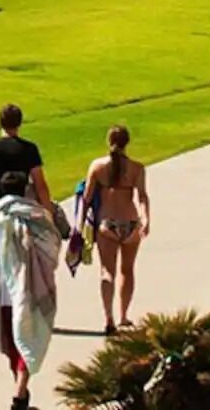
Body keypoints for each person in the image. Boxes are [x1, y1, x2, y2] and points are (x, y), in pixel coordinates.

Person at [0, 171, 61, 410]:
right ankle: (20, 392)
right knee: (30, 338)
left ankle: (20, 391)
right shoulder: (37, 215)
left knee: (14, 343)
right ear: (25, 189)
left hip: (5, 288)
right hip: (34, 287)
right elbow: (51, 245)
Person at [77, 125, 150, 334]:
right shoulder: (136, 168)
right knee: (127, 270)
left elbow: (87, 199)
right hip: (130, 223)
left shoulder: (98, 167)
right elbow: (142, 197)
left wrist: (79, 226)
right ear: (128, 142)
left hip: (107, 224)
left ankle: (108, 317)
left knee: (107, 271)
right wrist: (146, 219)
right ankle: (124, 315)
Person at [0, 104, 52, 267]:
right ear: (19, 123)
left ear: (0, 122)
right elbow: (41, 185)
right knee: (23, 266)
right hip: (22, 214)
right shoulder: (29, 149)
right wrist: (48, 213)